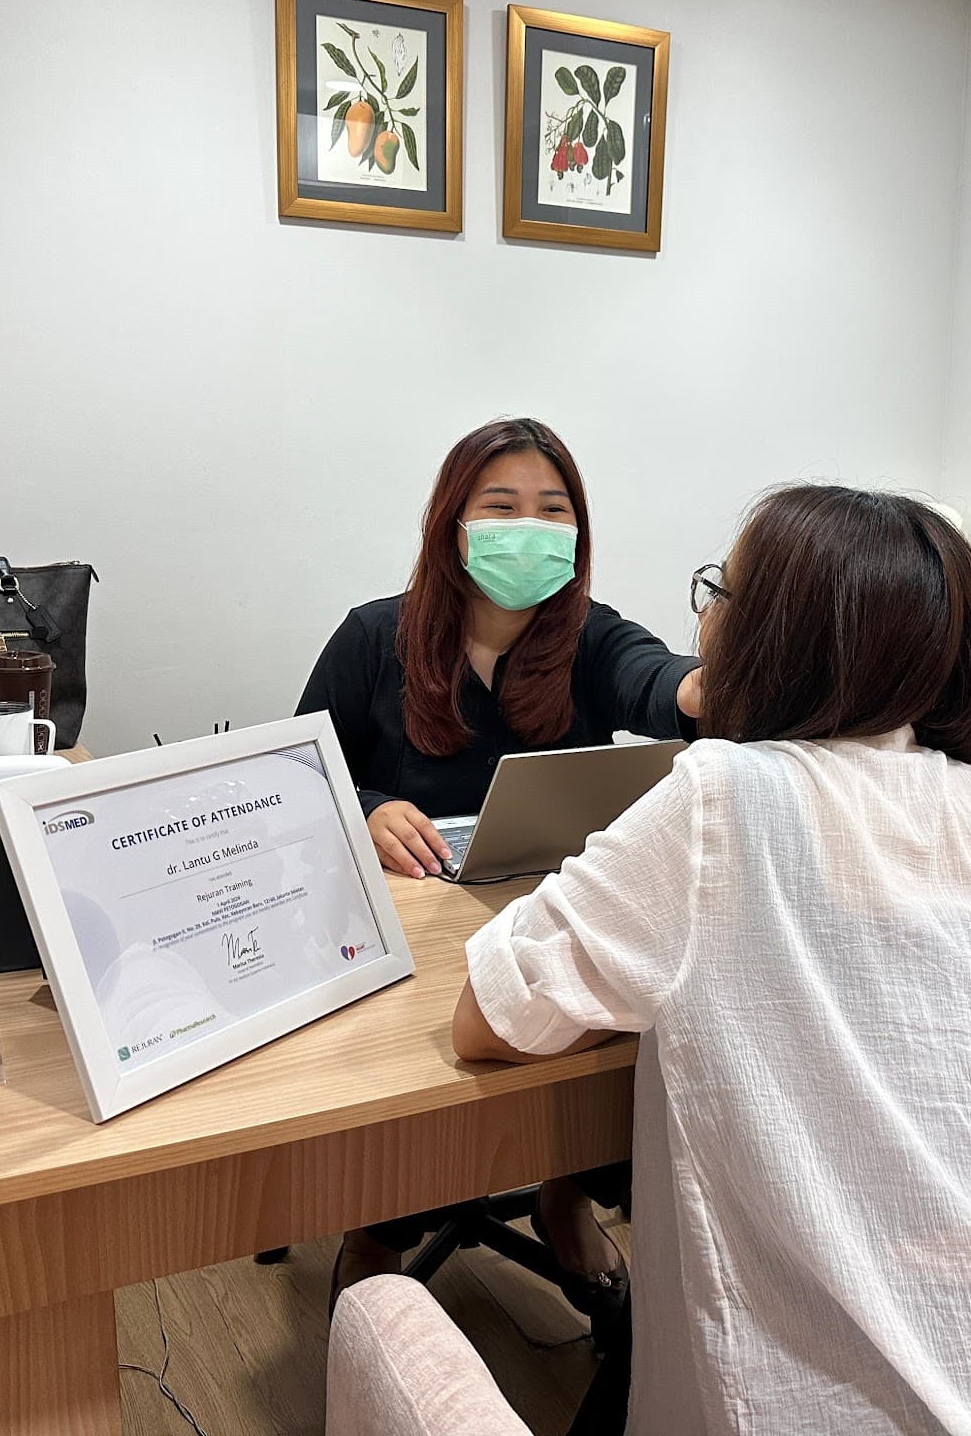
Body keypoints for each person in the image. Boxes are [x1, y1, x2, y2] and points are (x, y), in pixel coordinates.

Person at [454, 485, 971, 1435]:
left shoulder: (723, 797)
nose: (705, 619)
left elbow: (488, 1020)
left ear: (768, 633)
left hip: (877, 1394)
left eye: (718, 594)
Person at [298, 416, 701, 1306]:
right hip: (411, 913)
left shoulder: (593, 637)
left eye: (553, 511)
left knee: (634, 1010)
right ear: (455, 524)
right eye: (503, 505)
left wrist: (718, 680)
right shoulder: (375, 636)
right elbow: (297, 776)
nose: (532, 527)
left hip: (548, 907)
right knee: (403, 1055)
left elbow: (663, 682)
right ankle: (376, 1228)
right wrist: (366, 809)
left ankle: (565, 1194)